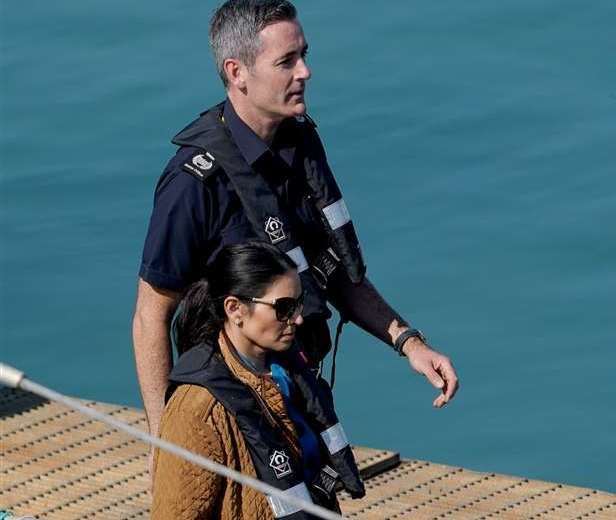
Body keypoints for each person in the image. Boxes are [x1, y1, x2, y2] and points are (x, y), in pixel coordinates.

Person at [133, 0, 459, 464]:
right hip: (225, 407)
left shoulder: (299, 145)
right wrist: (165, 444)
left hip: (296, 393)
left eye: (303, 55)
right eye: (286, 61)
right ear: (237, 71)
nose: (304, 71)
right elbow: (151, 315)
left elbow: (336, 272)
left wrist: (409, 342)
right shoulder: (193, 183)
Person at [151, 242, 365, 519]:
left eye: (299, 303)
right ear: (235, 309)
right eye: (284, 307)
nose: (298, 319)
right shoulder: (196, 411)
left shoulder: (291, 375)